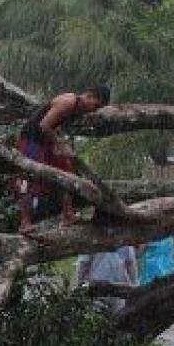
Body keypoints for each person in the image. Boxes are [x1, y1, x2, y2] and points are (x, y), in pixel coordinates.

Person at [14, 86, 110, 233]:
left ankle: (68, 215)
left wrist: (58, 145)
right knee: (27, 178)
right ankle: (25, 222)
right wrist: (60, 144)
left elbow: (54, 127)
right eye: (96, 106)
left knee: (67, 171)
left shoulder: (78, 109)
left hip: (46, 141)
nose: (94, 110)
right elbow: (44, 125)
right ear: (89, 96)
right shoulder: (68, 102)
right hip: (31, 139)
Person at [137, 236, 174, 335]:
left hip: (152, 272)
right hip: (168, 270)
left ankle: (146, 325)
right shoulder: (169, 237)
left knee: (147, 299)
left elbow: (139, 253)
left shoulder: (151, 236)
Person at [75, 246, 137, 314]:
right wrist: (80, 288)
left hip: (120, 288)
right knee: (97, 317)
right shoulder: (93, 241)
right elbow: (82, 265)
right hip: (97, 289)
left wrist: (134, 288)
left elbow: (130, 264)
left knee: (118, 318)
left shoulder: (125, 241)